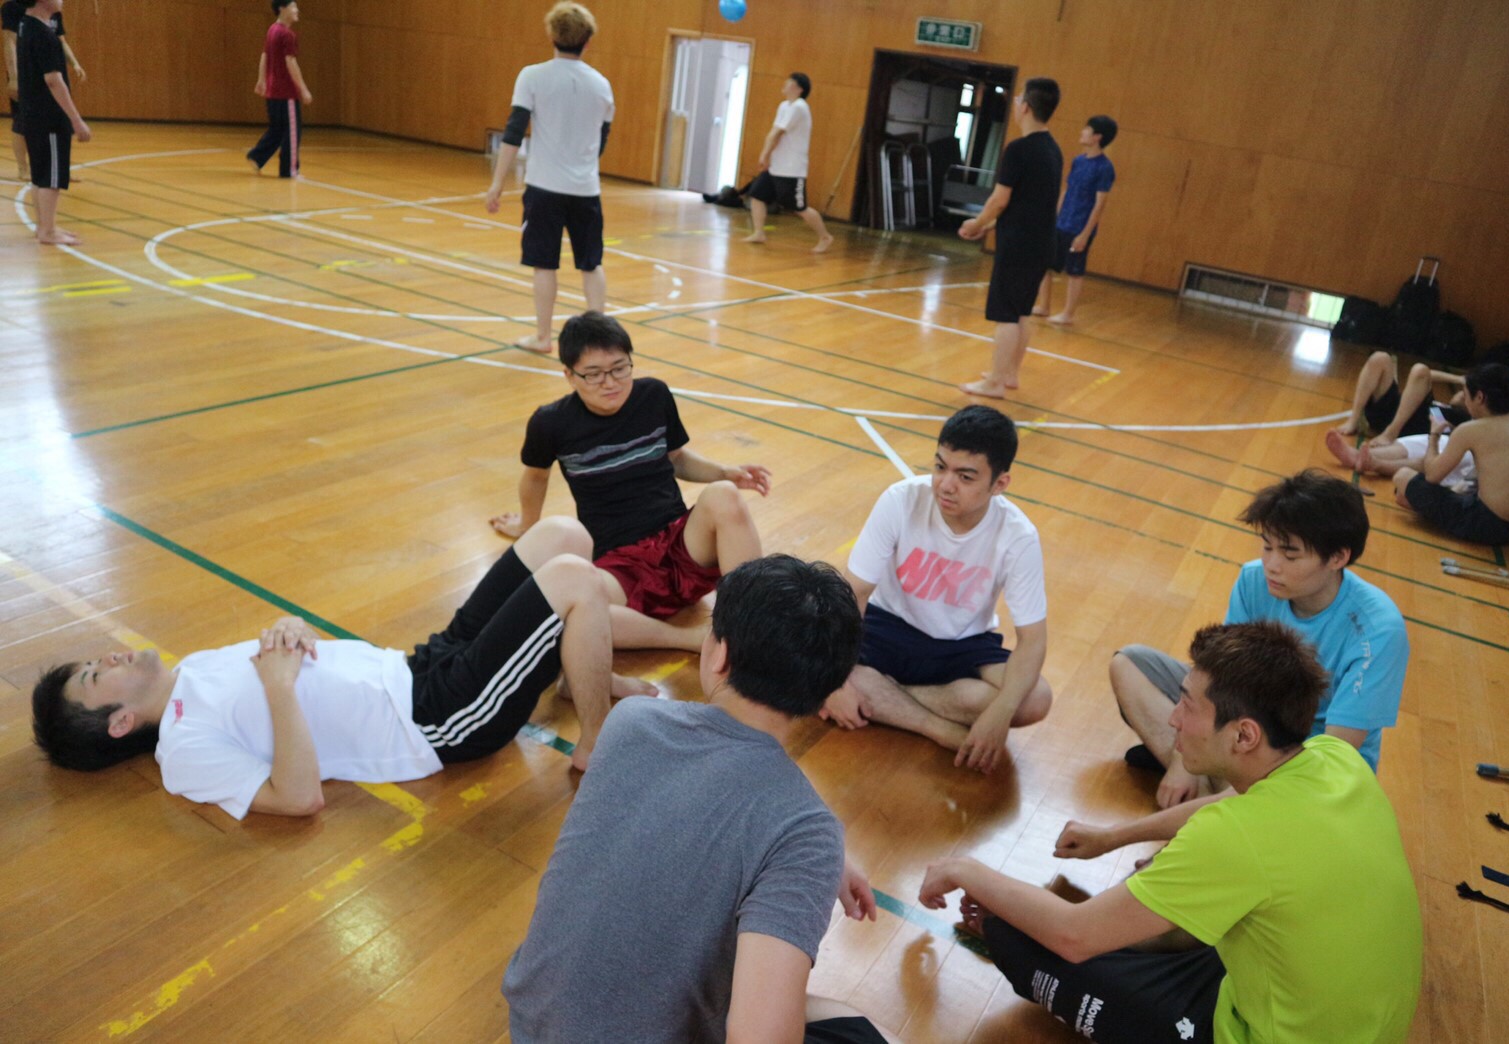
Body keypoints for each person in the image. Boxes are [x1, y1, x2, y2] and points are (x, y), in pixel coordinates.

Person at [920, 621, 1423, 1044]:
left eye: (1188, 705)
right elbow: (1226, 801)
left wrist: (964, 868)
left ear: (1244, 734)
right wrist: (1114, 836)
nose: (1174, 719)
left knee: (1023, 935)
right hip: (1345, 1019)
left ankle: (1009, 930)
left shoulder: (1235, 838)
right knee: (1168, 914)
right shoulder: (1334, 758)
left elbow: (1074, 936)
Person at [502, 555, 896, 1044]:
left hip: (531, 1028)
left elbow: (710, 799)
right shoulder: (804, 832)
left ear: (719, 655)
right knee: (864, 1028)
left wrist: (819, 850)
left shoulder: (631, 722)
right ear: (825, 696)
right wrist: (816, 848)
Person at [30, 519, 654, 819]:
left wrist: (295, 632)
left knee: (562, 537)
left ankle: (578, 674)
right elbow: (297, 797)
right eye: (94, 676)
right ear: (119, 722)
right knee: (573, 580)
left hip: (416, 665)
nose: (106, 657)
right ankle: (594, 739)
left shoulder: (192, 671)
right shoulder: (182, 752)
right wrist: (279, 686)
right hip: (434, 718)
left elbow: (312, 669)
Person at [1112, 469, 1407, 807]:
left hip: (1303, 763)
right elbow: (1221, 679)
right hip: (1245, 730)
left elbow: (1336, 755)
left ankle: (1213, 795)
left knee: (1283, 788)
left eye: (1290, 555)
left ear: (1338, 557)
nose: (1271, 565)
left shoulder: (1378, 629)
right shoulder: (1254, 579)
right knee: (1128, 665)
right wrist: (1182, 765)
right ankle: (1209, 786)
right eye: (1267, 546)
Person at [489, 311, 770, 652]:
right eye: (593, 374)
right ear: (569, 375)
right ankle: (692, 640)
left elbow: (675, 458)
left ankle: (751, 621)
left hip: (680, 545)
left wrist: (725, 473)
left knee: (723, 494)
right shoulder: (551, 423)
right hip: (619, 565)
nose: (610, 382)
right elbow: (536, 478)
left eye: (619, 368)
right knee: (566, 611)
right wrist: (527, 526)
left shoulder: (654, 395)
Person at [820, 406, 1051, 773]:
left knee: (1035, 699)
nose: (945, 484)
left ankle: (883, 695)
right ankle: (937, 728)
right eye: (940, 466)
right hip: (886, 628)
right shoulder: (901, 499)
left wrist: (1001, 714)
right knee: (814, 657)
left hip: (961, 646)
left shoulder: (1017, 536)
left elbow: (1033, 640)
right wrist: (835, 682)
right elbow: (855, 594)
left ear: (999, 484)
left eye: (965, 476)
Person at [483, 1, 613, 354]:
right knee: (591, 263)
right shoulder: (602, 85)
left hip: (544, 189)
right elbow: (601, 140)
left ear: (552, 35)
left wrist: (497, 183)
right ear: (588, 41)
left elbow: (514, 132)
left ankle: (543, 338)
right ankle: (602, 340)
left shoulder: (532, 76)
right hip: (586, 190)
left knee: (544, 264)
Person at [1377, 363, 1509, 546]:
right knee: (1456, 485)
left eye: (1466, 395)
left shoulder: (1473, 429)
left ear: (1480, 397)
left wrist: (1434, 436)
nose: (1464, 401)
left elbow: (1432, 475)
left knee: (1403, 477)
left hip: (1484, 524)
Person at [958, 78, 1063, 400]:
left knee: (1005, 313)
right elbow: (1029, 203)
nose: (1016, 103)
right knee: (1021, 312)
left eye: (1018, 99)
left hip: (1018, 245)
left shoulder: (1019, 149)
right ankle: (1009, 374)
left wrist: (977, 223)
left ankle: (994, 384)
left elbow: (1000, 199)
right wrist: (991, 226)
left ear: (1026, 107)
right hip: (1040, 243)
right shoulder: (1053, 150)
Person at [1327, 348, 1509, 465]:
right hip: (1424, 415)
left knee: (1420, 455)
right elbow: (1451, 397)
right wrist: (1464, 381)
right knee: (1384, 358)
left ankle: (1366, 455)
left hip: (1442, 428)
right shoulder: (1502, 382)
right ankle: (1356, 421)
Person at [14, 0, 87, 244]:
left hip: (32, 113)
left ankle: (44, 226)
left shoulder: (26, 25)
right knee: (51, 177)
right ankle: (48, 231)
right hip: (49, 117)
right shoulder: (44, 35)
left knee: (40, 173)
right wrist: (76, 120)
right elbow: (54, 80)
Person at [1034, 115, 1116, 325]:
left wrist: (1085, 234)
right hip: (1062, 222)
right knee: (1045, 263)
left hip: (1080, 227)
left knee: (1075, 272)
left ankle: (1068, 314)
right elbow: (1066, 190)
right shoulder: (1078, 161)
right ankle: (1044, 306)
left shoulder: (1104, 168)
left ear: (1097, 137)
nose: (1082, 132)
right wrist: (1054, 217)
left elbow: (1099, 205)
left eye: (1087, 129)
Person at [742, 72, 833, 254]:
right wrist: (768, 156)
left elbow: (777, 133)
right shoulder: (784, 106)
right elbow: (773, 131)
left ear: (799, 89)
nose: (785, 84)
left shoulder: (799, 107)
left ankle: (825, 237)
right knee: (757, 195)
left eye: (790, 82)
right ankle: (759, 233)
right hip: (776, 165)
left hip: (792, 168)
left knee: (799, 207)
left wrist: (764, 154)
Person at [4, 0, 80, 183]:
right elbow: (9, 41)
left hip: (52, 71)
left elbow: (61, 40)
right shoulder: (13, 7)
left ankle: (60, 169)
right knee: (21, 122)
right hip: (28, 75)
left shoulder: (54, 11)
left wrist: (74, 63)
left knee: (59, 121)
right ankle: (23, 169)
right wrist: (14, 77)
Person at [245, 0, 311, 179]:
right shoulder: (287, 34)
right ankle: (289, 170)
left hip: (272, 91)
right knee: (292, 131)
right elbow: (291, 62)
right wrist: (303, 88)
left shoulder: (272, 30)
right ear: (282, 9)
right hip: (286, 93)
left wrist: (262, 80)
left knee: (277, 129)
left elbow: (265, 55)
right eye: (293, 6)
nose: (297, 10)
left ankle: (257, 156)